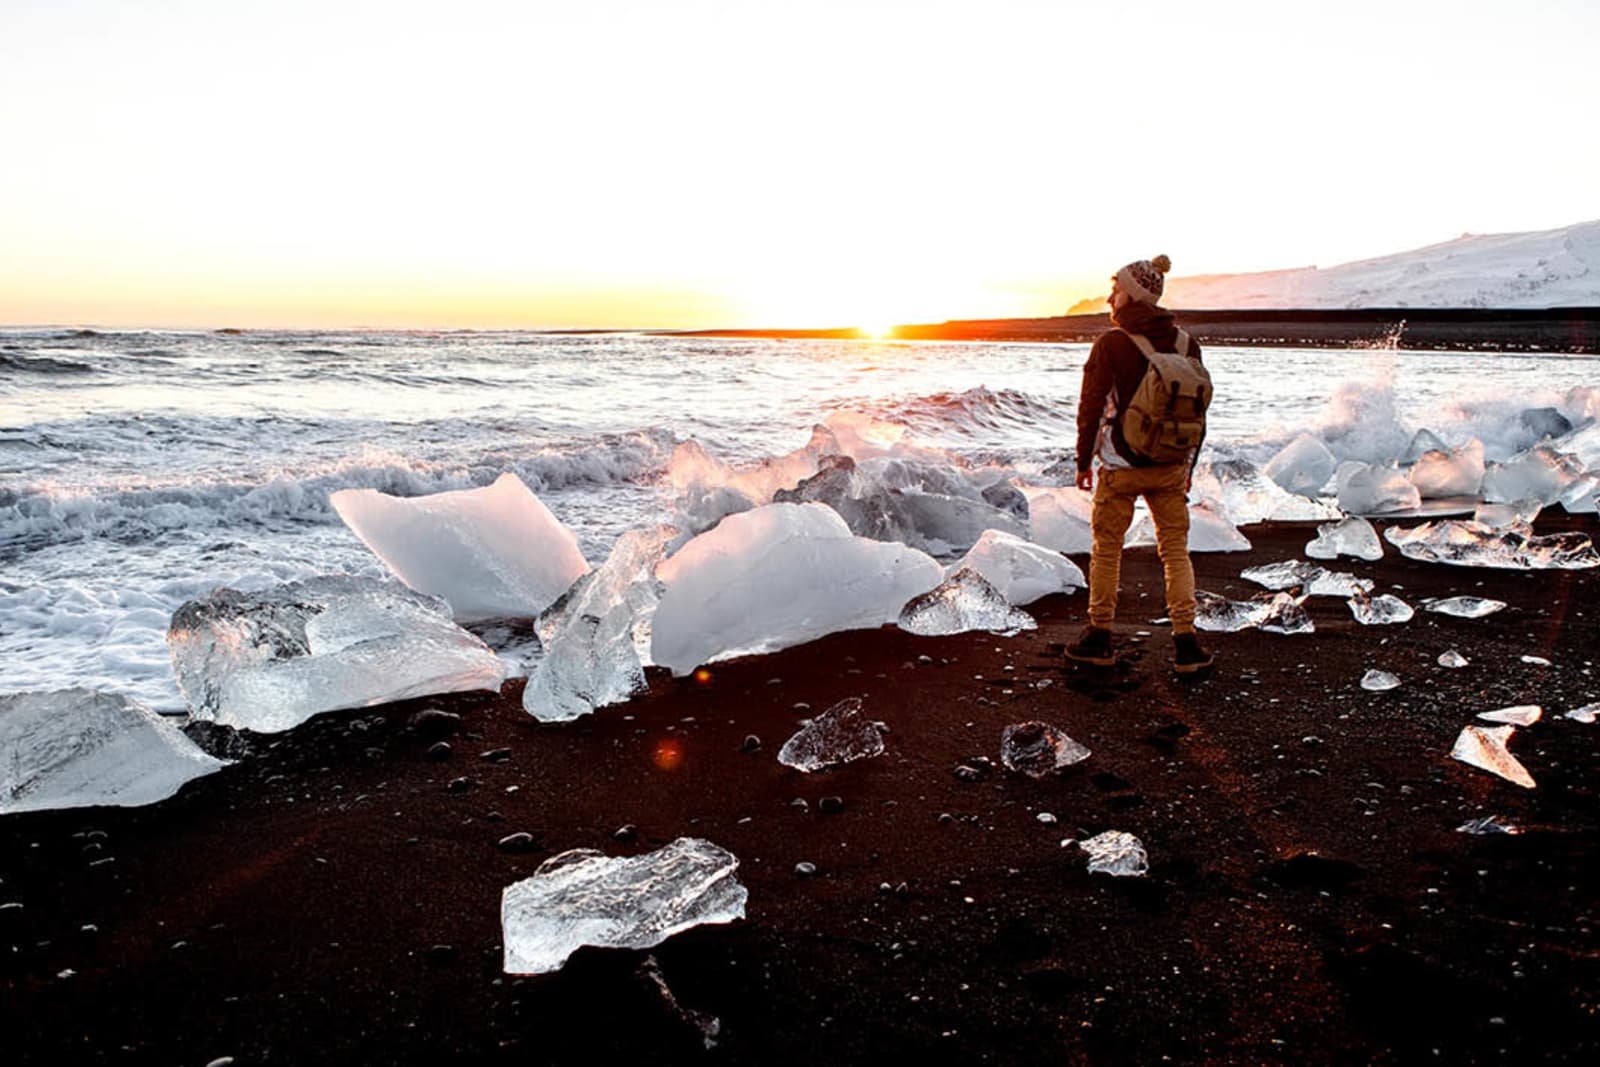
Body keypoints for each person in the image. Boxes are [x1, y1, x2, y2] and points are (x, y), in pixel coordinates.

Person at [1065, 254, 1215, 674]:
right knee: (1175, 551)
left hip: (1119, 466)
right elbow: (1198, 413)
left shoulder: (1111, 343)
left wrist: (1083, 461)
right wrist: (1188, 466)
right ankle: (1186, 642)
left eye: (1116, 289)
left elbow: (1090, 407)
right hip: (1170, 465)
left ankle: (1099, 636)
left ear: (1130, 293)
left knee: (1108, 549)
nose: (1111, 297)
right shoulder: (1188, 344)